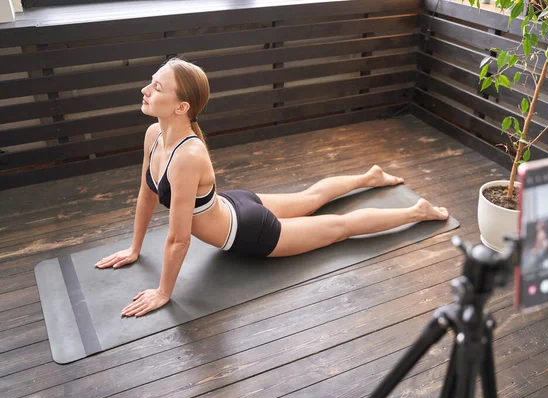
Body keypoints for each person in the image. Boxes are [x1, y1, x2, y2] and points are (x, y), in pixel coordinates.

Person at [94, 57, 449, 318]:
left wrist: (163, 292)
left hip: (250, 232)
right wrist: (134, 247)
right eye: (150, 82)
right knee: (310, 198)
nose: (145, 90)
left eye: (156, 87)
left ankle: (417, 211)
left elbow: (179, 238)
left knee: (341, 228)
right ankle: (370, 177)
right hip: (233, 204)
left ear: (181, 106)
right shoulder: (154, 135)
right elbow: (148, 193)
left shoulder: (187, 155)